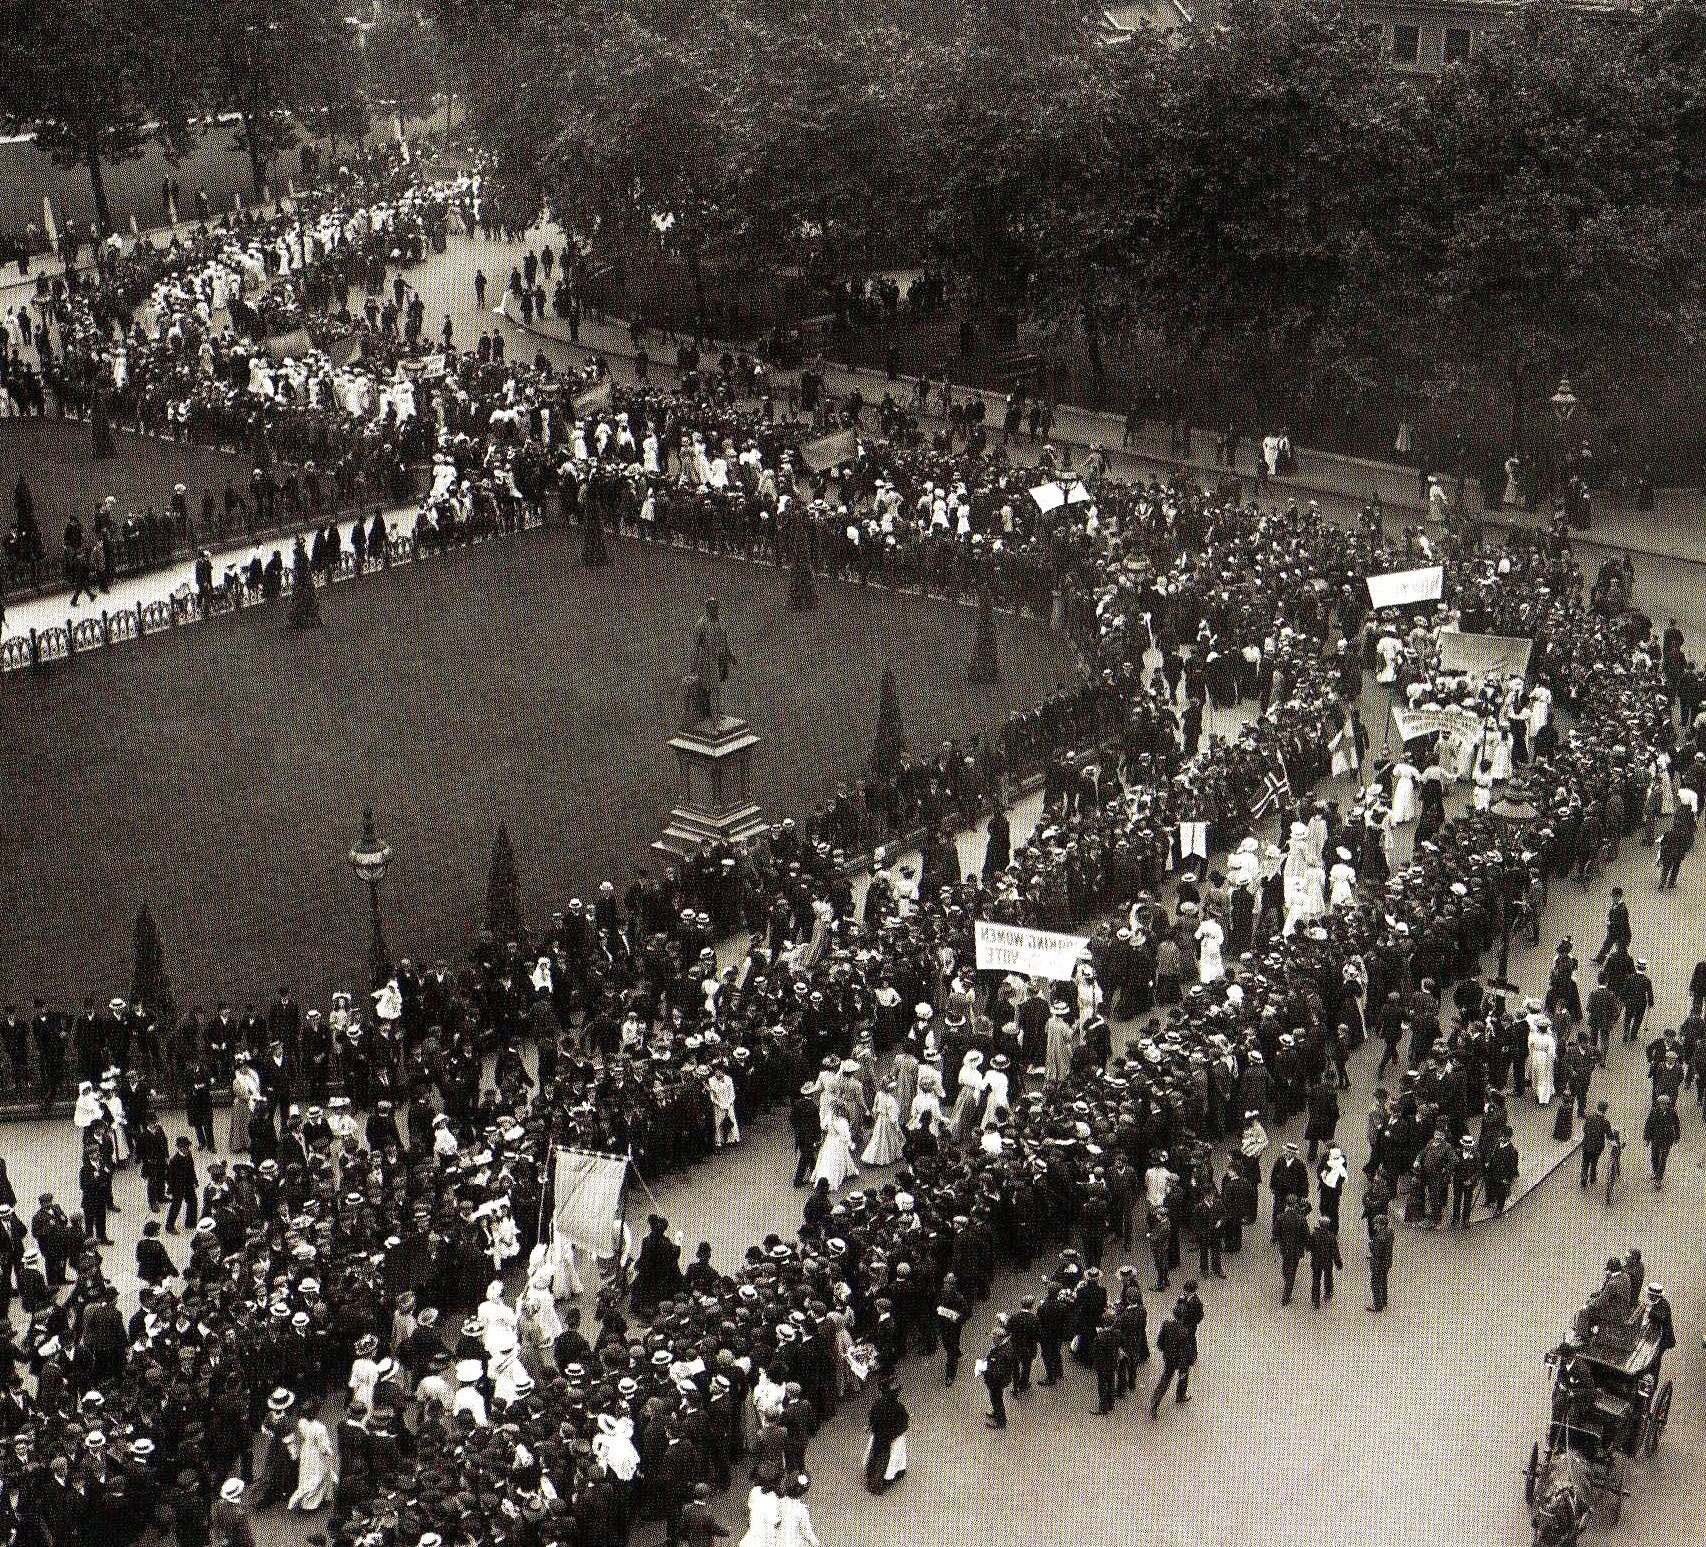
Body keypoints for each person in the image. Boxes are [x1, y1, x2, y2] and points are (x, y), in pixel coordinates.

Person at [863, 1377, 908, 1493]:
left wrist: (874, 1428)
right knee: (893, 1457)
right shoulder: (899, 1408)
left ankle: (872, 1473)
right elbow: (903, 1425)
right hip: (893, 1438)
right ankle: (891, 1475)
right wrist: (894, 1435)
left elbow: (872, 1419)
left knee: (875, 1453)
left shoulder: (877, 1404)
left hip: (879, 1436)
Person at [1148, 1304, 1194, 1418]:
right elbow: (1186, 1349)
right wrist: (1190, 1360)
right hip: (1180, 1360)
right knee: (1183, 1375)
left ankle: (1155, 1403)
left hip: (1168, 1358)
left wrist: (1164, 1350)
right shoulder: (1184, 1331)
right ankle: (1180, 1395)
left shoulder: (1166, 1324)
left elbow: (1160, 1342)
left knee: (1165, 1380)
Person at [1643, 1095, 1680, 1188]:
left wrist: (1677, 1136)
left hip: (1667, 1139)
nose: (1663, 1106)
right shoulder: (1654, 1112)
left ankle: (1659, 1178)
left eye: (1665, 1104)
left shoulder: (1672, 1112)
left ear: (1668, 1105)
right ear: (1658, 1104)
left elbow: (1676, 1125)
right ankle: (1655, 1172)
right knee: (1654, 1157)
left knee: (1663, 1159)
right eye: (1661, 1104)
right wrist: (1646, 1139)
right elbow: (1648, 1125)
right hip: (1655, 1138)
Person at [1308, 1213, 1342, 1308]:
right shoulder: (1331, 1236)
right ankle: (1328, 1293)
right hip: (1327, 1262)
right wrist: (1338, 1263)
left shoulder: (1314, 1235)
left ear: (1319, 1223)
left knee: (1316, 1280)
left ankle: (1315, 1300)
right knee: (1328, 1277)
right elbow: (1335, 1251)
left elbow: (1309, 1246)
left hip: (1316, 1261)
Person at [1580, 1102, 1614, 1187]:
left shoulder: (1589, 1118)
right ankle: (1592, 1176)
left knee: (1585, 1162)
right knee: (1594, 1162)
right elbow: (1609, 1135)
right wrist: (1614, 1143)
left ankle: (1583, 1179)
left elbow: (1584, 1129)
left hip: (1587, 1144)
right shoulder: (1605, 1122)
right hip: (1597, 1147)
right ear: (1605, 1110)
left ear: (1597, 1108)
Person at [1367, 1213, 1393, 1313]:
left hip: (1378, 1263)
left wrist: (1371, 1244)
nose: (1374, 1226)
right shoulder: (1389, 1232)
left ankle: (1377, 1305)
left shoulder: (1379, 1238)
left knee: (1375, 1283)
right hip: (1386, 1262)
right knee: (1383, 1280)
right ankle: (1384, 1300)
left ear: (1381, 1225)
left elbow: (1376, 1252)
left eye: (1376, 1224)